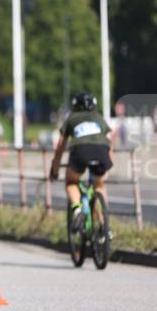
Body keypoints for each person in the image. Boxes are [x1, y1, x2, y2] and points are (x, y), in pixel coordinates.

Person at [50, 91, 113, 230]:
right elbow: (110, 140)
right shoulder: (99, 118)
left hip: (80, 151)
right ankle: (104, 225)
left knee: (71, 182)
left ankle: (78, 210)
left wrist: (54, 169)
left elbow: (60, 146)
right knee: (100, 186)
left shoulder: (72, 118)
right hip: (102, 151)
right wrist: (109, 163)